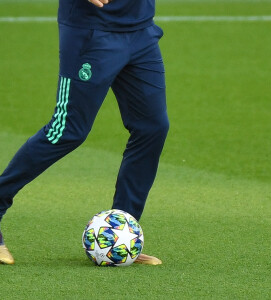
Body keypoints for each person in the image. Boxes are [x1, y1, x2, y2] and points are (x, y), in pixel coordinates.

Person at [0, 0, 169, 265]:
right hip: (92, 31)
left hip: (140, 30)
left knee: (153, 127)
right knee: (67, 130)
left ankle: (120, 232)